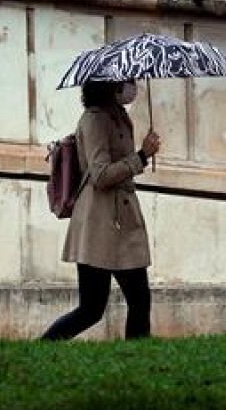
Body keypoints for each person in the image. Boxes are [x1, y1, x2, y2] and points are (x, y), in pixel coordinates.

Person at [40, 79, 162, 341]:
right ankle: (43, 346)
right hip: (100, 223)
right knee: (92, 309)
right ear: (111, 86)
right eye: (127, 82)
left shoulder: (117, 116)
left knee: (139, 299)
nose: (133, 87)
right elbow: (100, 174)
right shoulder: (95, 120)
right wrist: (141, 156)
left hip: (121, 220)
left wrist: (143, 154)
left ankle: (139, 361)